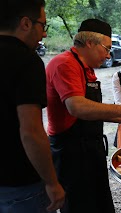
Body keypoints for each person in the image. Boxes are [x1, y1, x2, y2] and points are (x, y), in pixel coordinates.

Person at [45, 19, 121, 213]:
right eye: (106, 49)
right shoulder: (64, 64)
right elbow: (77, 107)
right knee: (80, 207)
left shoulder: (86, 68)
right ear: (90, 43)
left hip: (91, 148)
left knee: (101, 205)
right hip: (71, 153)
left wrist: (120, 119)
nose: (108, 55)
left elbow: (92, 110)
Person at [0, 0, 65, 212]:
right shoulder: (27, 61)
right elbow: (31, 131)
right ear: (26, 23)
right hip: (19, 184)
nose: (44, 34)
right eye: (42, 25)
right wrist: (52, 183)